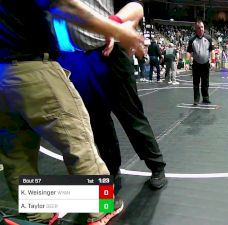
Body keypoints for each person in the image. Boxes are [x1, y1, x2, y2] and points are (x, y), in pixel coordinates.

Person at [0, 0, 144, 224]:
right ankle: (100, 207)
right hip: (33, 68)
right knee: (77, 138)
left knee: (15, 152)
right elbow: (65, 5)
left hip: (1, 75)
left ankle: (38, 213)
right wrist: (118, 31)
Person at [55, 0, 167, 190]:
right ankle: (112, 171)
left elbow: (135, 10)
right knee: (98, 122)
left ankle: (156, 166)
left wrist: (116, 31)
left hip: (112, 53)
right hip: (80, 58)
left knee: (131, 115)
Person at [186, 20, 214, 105]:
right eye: (199, 28)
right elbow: (188, 52)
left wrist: (213, 61)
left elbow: (212, 51)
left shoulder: (208, 38)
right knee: (196, 82)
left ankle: (205, 98)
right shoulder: (192, 40)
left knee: (205, 82)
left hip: (205, 64)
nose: (201, 29)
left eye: (202, 27)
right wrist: (187, 63)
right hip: (196, 64)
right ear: (196, 29)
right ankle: (196, 99)